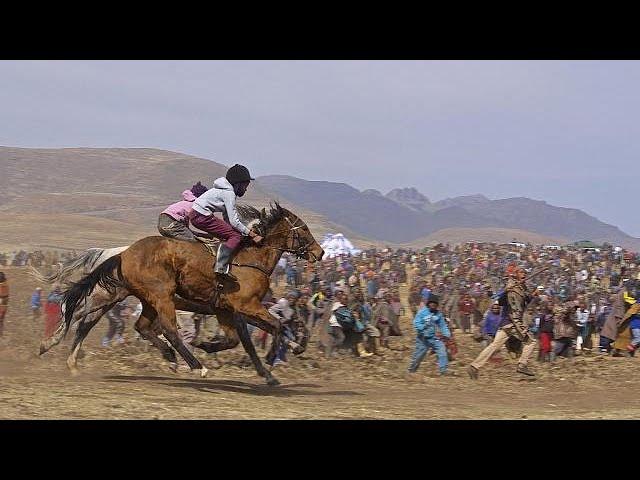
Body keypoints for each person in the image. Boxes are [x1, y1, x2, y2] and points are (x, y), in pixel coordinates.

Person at [190, 164, 263, 283]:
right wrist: (251, 234)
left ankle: (216, 260)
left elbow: (228, 219)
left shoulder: (224, 191)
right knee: (235, 236)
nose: (246, 189)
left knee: (231, 234)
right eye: (245, 185)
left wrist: (240, 230)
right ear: (238, 183)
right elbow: (234, 221)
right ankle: (221, 267)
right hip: (201, 215)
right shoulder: (229, 194)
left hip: (197, 215)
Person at [467, 265, 539, 379]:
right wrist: (506, 292)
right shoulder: (511, 286)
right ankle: (522, 364)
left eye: (525, 273)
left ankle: (474, 367)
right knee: (531, 341)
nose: (524, 275)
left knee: (494, 346)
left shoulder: (522, 288)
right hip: (512, 322)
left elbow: (524, 302)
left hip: (507, 323)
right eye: (521, 272)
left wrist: (532, 295)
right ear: (516, 274)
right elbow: (501, 301)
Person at [407, 295, 452, 376]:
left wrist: (447, 335)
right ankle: (411, 371)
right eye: (431, 303)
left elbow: (443, 325)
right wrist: (423, 327)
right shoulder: (422, 313)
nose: (433, 305)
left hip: (434, 338)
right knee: (418, 356)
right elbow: (416, 323)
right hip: (422, 339)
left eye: (435, 303)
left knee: (442, 352)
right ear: (428, 304)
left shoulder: (438, 314)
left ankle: (443, 370)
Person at [0, 272, 8, 337]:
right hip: (4, 306)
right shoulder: (6, 285)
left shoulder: (2, 286)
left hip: (2, 305)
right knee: (1, 320)